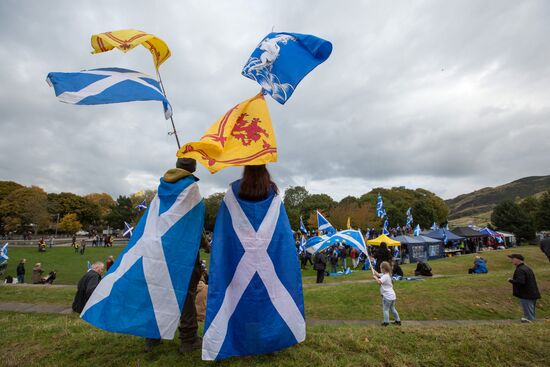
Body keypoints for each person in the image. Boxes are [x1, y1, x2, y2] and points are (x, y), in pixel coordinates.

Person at [145, 158, 210, 354]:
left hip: (159, 251)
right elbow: (193, 224)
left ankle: (152, 337)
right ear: (193, 168)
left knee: (159, 291)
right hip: (184, 255)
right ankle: (188, 339)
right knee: (187, 295)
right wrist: (206, 245)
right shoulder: (190, 188)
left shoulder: (162, 188)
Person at [507, 254, 541, 322]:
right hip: (532, 293)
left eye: (513, 259)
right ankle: (532, 323)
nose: (511, 260)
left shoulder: (520, 269)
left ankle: (531, 325)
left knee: (529, 316)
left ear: (518, 259)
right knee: (531, 313)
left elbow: (520, 282)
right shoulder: (527, 268)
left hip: (526, 294)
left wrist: (511, 280)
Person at [373, 261, 401, 326]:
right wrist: (372, 269)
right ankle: (398, 320)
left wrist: (375, 278)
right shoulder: (386, 275)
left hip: (387, 297)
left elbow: (379, 282)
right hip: (392, 296)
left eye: (380, 268)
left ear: (384, 269)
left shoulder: (385, 276)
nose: (380, 269)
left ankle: (386, 322)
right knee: (393, 309)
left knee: (385, 309)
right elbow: (377, 274)